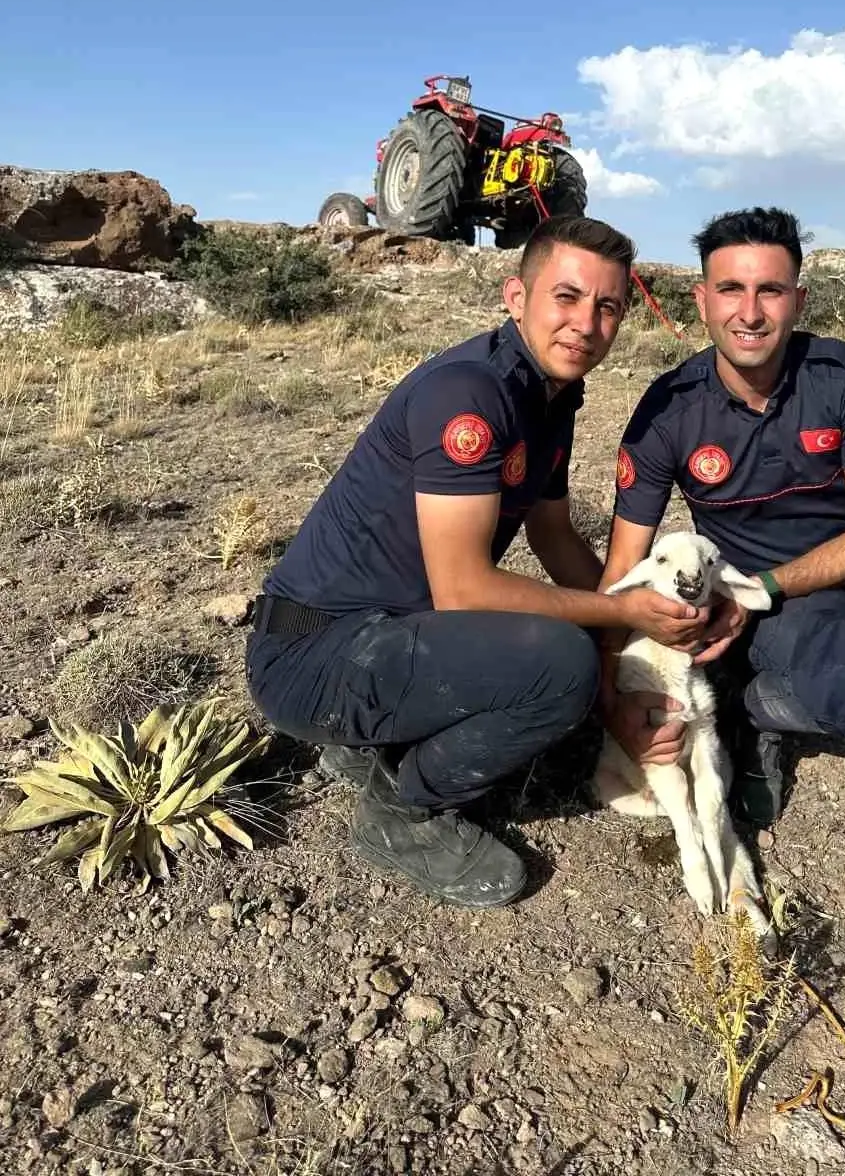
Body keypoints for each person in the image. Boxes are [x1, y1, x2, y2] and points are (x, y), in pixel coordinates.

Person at [246, 215, 722, 910]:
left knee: (580, 649)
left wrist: (633, 634)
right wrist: (615, 617)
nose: (586, 323)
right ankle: (401, 811)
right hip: (314, 652)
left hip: (381, 631)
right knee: (560, 664)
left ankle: (368, 737)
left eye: (608, 306)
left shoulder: (549, 398)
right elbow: (465, 587)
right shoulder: (471, 393)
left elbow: (556, 538)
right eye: (566, 297)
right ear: (516, 297)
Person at [600, 206, 845, 903]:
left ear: (798, 299)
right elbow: (622, 572)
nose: (749, 312)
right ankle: (757, 719)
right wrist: (614, 696)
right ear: (701, 300)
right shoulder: (669, 407)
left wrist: (765, 590)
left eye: (770, 291)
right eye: (730, 290)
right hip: (761, 599)